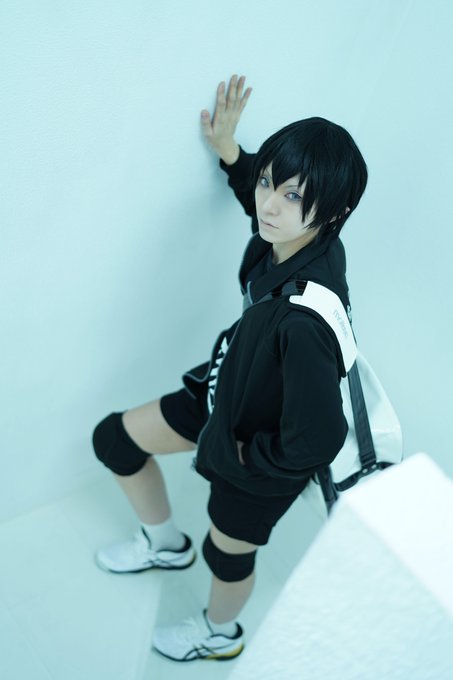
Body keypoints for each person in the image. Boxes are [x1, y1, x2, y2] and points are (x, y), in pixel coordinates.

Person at [91, 74, 368, 663]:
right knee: (115, 439)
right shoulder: (291, 237)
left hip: (257, 455)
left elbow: (319, 438)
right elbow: (257, 206)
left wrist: (245, 458)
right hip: (226, 392)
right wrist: (234, 155)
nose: (269, 204)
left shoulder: (305, 322)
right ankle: (165, 545)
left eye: (292, 196)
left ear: (335, 211)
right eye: (270, 183)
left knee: (227, 553)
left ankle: (220, 633)